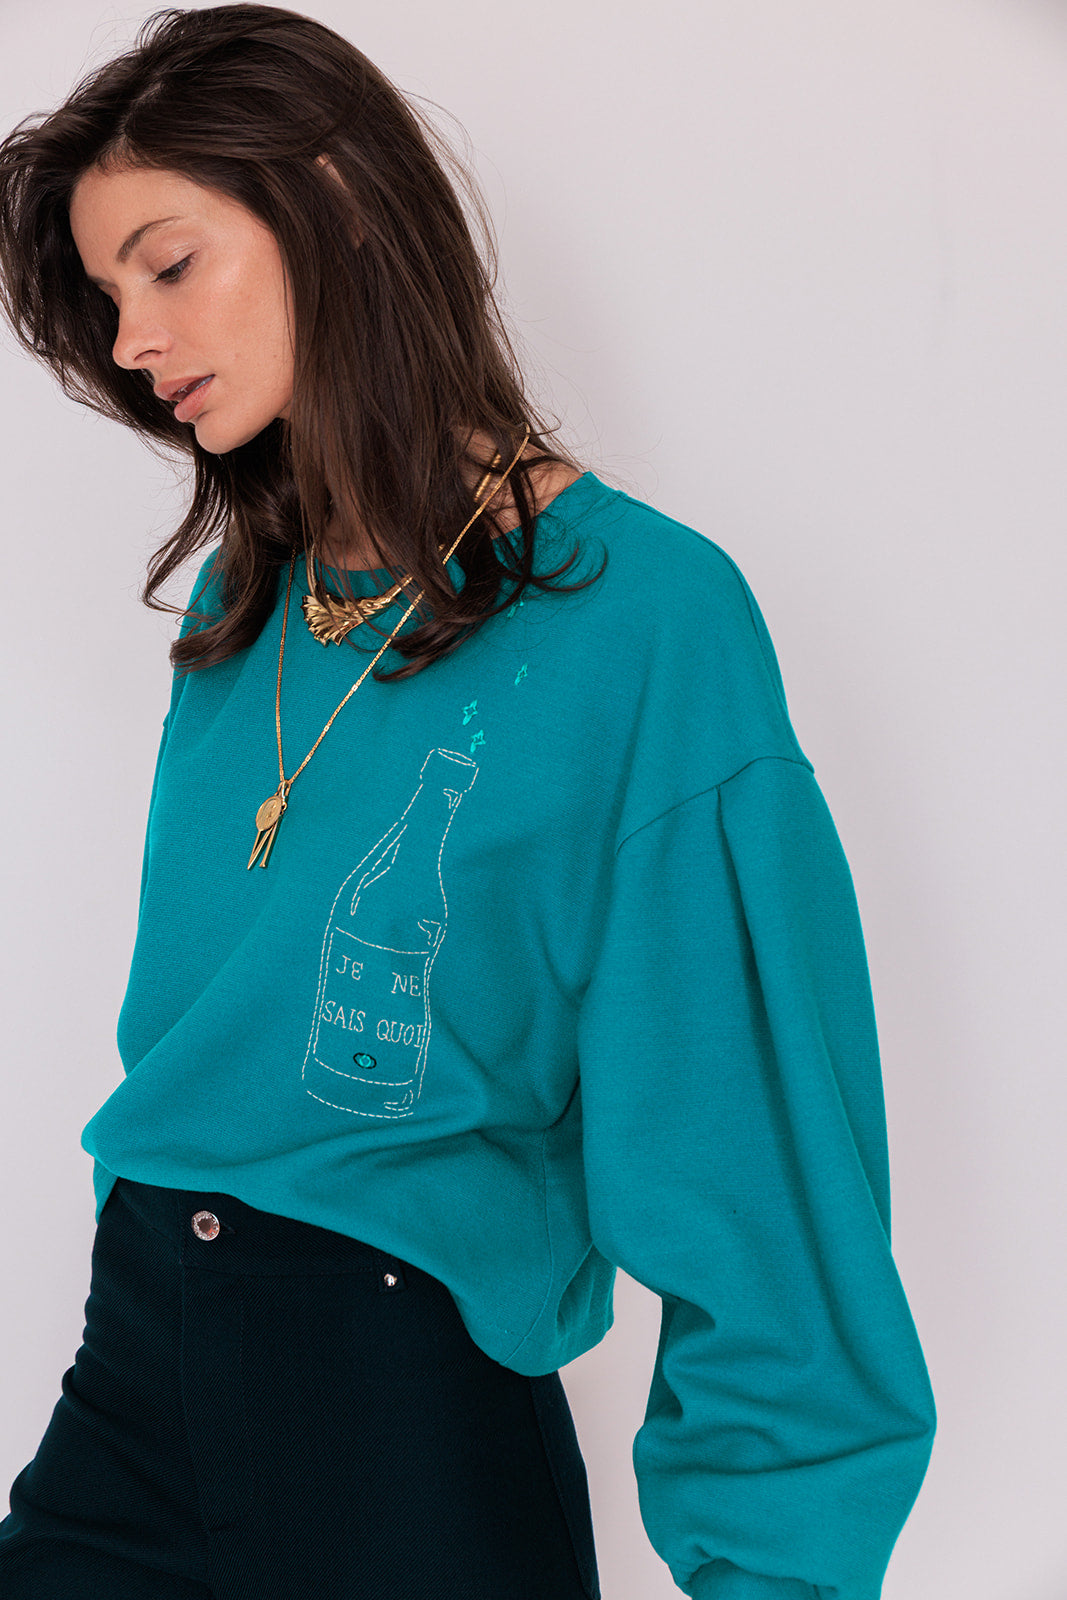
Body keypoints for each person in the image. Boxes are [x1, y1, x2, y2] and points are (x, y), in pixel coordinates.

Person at [0, 6, 936, 1599]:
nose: (135, 341)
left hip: (395, 1427)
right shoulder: (246, 603)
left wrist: (774, 1568)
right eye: (107, 299)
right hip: (138, 1371)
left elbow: (757, 1165)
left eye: (168, 266)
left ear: (334, 203)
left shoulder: (644, 621)